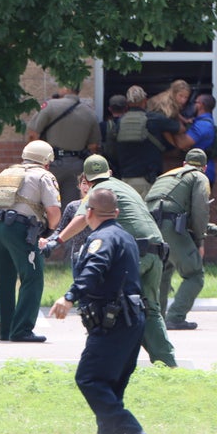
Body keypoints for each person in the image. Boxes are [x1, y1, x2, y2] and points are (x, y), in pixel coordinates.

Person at [41, 155, 178, 367]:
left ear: (86, 179)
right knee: (150, 309)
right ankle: (167, 364)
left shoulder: (98, 191)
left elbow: (80, 219)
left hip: (134, 255)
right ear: (110, 173)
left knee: (105, 304)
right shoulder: (126, 188)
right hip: (156, 252)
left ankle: (104, 362)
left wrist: (55, 241)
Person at [48, 188, 149, 434]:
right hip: (132, 319)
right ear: (116, 213)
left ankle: (131, 431)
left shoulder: (100, 239)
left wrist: (69, 297)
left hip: (112, 322)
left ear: (88, 213)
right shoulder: (124, 236)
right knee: (110, 385)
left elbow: (94, 269)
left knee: (89, 378)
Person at [0, 140, 62, 342]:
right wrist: (50, 231)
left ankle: (6, 330)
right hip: (19, 229)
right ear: (46, 161)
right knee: (32, 276)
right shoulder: (44, 175)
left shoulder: (7, 172)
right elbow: (53, 212)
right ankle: (22, 330)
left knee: (4, 279)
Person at [145, 149, 214, 331]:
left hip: (150, 225)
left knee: (163, 271)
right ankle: (175, 317)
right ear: (204, 168)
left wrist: (216, 229)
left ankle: (155, 317)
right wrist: (199, 240)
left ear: (184, 164)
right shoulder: (199, 177)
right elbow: (200, 211)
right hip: (170, 226)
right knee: (194, 274)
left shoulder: (166, 176)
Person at [27, 86, 100, 207]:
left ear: (65, 88)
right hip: (77, 165)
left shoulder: (50, 106)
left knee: (44, 205)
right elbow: (93, 146)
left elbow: (33, 134)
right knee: (71, 206)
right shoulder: (89, 113)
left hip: (50, 163)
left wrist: (34, 160)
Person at [114, 85, 182, 197]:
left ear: (127, 102)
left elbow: (112, 149)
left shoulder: (119, 123)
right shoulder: (154, 119)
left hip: (125, 180)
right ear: (145, 101)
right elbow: (178, 129)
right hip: (148, 180)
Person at [167, 94, 217, 185]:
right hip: (198, 173)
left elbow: (182, 144)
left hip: (200, 175)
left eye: (195, 102)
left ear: (201, 105)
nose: (193, 105)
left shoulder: (203, 125)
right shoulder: (200, 121)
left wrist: (173, 124)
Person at [51, 174, 93, 262]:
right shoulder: (72, 206)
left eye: (91, 184)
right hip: (77, 255)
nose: (87, 187)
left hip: (96, 252)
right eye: (84, 183)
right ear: (79, 186)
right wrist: (48, 241)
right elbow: (60, 230)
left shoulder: (103, 206)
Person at [99, 94, 128, 170]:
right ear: (126, 108)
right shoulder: (129, 125)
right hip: (127, 164)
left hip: (109, 165)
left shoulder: (103, 126)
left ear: (109, 109)